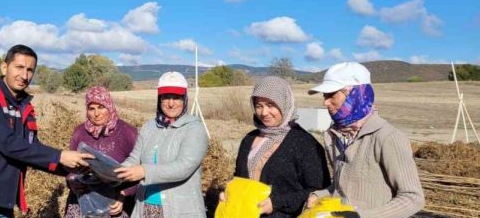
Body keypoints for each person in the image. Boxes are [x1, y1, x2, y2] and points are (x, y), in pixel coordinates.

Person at [0, 44, 93, 218]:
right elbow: (9, 143)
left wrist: (70, 168)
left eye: (30, 70)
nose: (24, 76)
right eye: (19, 67)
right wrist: (60, 155)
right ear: (4, 67)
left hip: (2, 201)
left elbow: (31, 148)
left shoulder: (23, 107)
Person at [307, 62, 424, 218]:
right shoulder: (334, 135)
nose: (325, 102)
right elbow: (343, 186)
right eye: (324, 95)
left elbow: (413, 197)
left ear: (355, 94)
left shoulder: (387, 137)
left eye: (331, 94)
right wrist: (319, 195)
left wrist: (362, 216)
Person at [225, 76, 330, 217]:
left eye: (270, 105)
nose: (264, 113)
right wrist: (230, 194)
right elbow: (240, 180)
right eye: (258, 106)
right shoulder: (249, 139)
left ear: (284, 103)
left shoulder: (305, 143)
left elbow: (319, 191)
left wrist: (276, 202)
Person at [115, 71, 209, 218]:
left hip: (180, 210)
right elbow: (134, 159)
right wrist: (113, 172)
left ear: (185, 99)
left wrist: (145, 171)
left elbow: (183, 167)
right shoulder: (149, 127)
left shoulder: (194, 129)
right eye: (166, 97)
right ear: (159, 99)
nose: (171, 104)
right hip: (146, 207)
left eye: (176, 98)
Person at [64, 86, 139, 218]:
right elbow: (70, 170)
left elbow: (141, 171)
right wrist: (72, 182)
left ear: (109, 106)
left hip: (115, 204)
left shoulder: (128, 132)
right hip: (83, 202)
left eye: (101, 107)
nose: (96, 113)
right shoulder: (79, 133)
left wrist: (124, 194)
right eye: (91, 108)